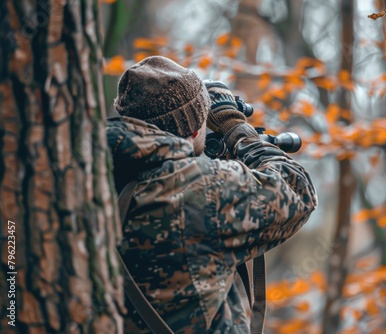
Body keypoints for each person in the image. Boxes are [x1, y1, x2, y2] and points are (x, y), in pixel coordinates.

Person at [106, 55, 317, 333]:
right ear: (194, 130)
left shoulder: (86, 177)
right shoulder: (199, 189)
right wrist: (237, 129)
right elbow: (297, 189)